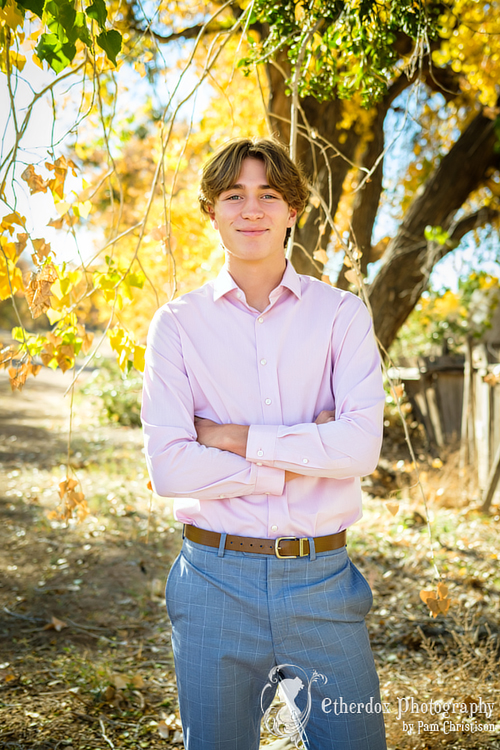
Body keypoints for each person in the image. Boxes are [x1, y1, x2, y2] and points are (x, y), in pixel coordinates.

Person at [141, 136, 387, 750]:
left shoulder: (341, 315)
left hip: (322, 580)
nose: (252, 209)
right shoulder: (176, 325)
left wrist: (229, 439)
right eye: (234, 195)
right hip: (212, 579)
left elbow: (358, 450)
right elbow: (170, 469)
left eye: (269, 194)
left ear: (293, 210)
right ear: (212, 210)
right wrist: (298, 455)